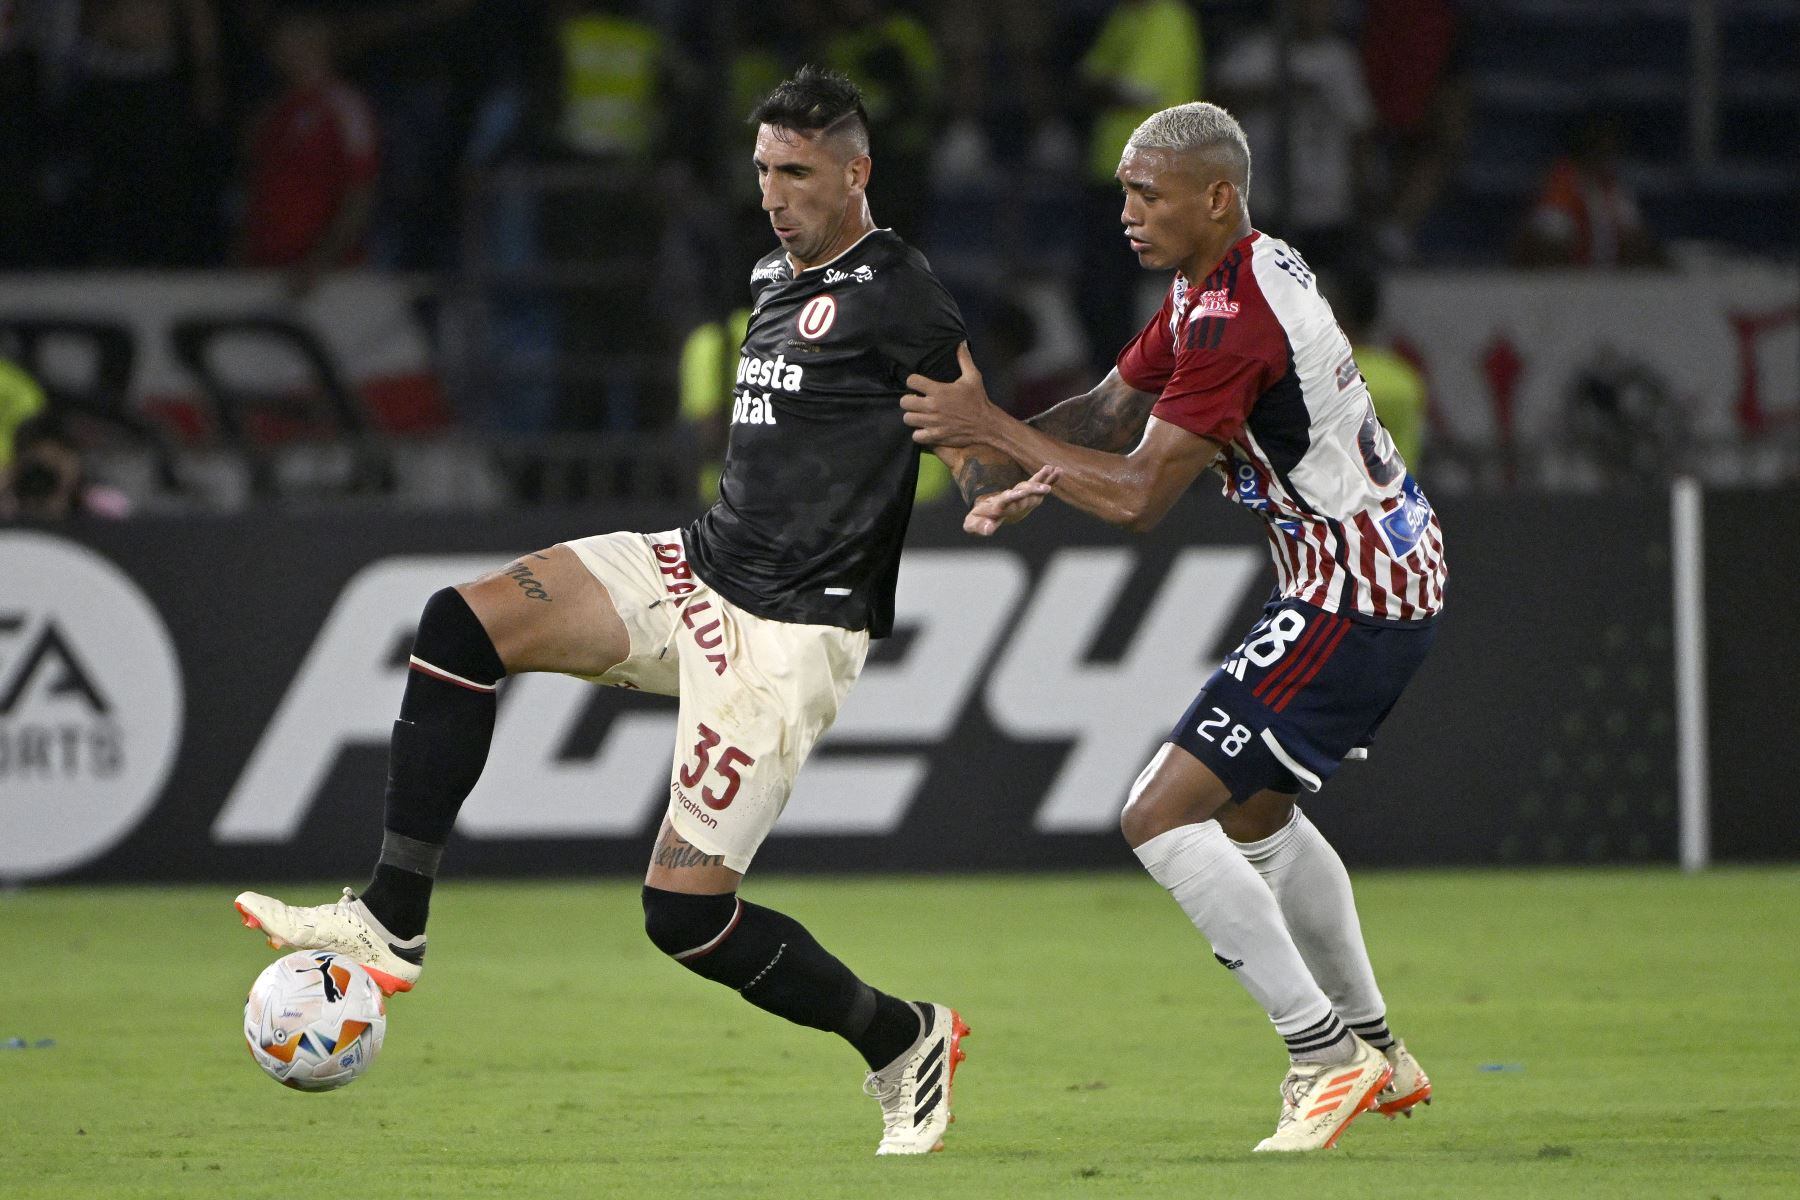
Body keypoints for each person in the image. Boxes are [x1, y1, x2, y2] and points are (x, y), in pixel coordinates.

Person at [233, 67, 1042, 1156]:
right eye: (762, 170)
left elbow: (970, 419)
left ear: (856, 173)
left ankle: (902, 1039)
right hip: (698, 566)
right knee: (461, 621)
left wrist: (1011, 476)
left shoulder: (897, 288)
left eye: (797, 173)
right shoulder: (768, 272)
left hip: (791, 629)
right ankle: (392, 917)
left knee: (684, 916)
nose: (774, 193)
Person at [901, 101, 1445, 1153]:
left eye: (1146, 192)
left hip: (1353, 592)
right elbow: (1110, 411)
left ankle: (1323, 1055)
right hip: (1368, 576)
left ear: (1217, 196)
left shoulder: (1236, 319)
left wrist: (988, 429)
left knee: (1158, 815)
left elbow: (1143, 494)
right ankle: (1380, 1051)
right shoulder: (1222, 281)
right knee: (1254, 817)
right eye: (1121, 190)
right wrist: (992, 459)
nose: (1125, 211)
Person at [234, 10, 379, 295]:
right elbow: (252, 190)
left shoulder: (345, 107)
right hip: (262, 275)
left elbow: (360, 191)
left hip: (325, 281)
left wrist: (321, 262)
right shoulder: (270, 113)